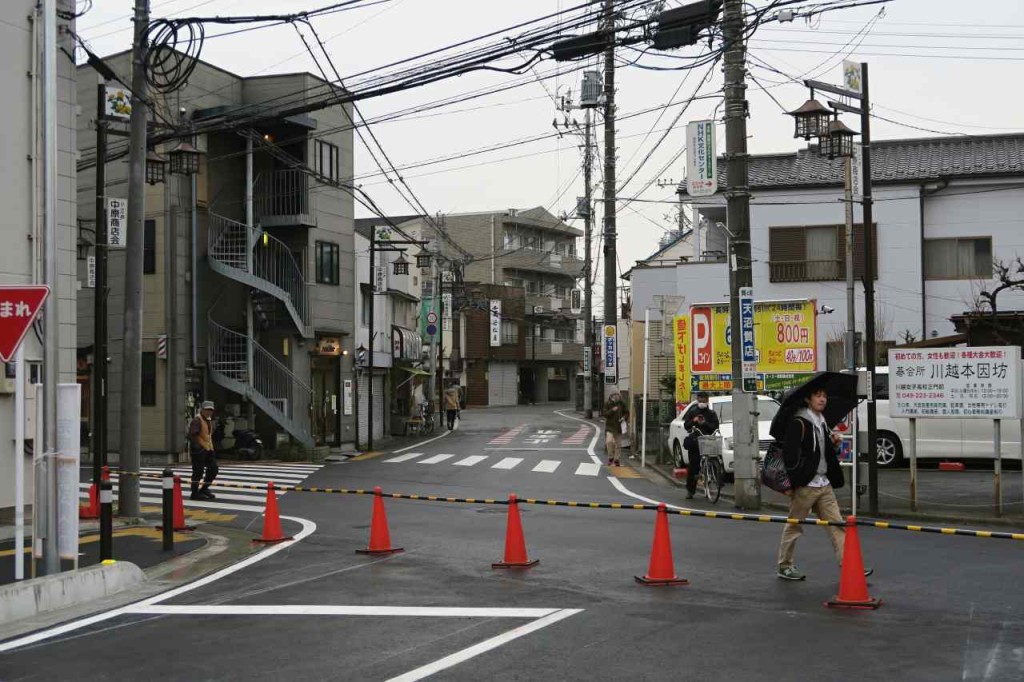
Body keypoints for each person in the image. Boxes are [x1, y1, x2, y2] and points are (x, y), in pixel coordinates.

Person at [776, 387, 872, 581]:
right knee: (795, 526)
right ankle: (784, 565)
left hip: (824, 483)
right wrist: (793, 483)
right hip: (805, 486)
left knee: (837, 525)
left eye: (825, 396)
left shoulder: (822, 422)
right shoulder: (799, 422)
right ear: (808, 399)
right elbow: (790, 456)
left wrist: (834, 443)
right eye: (818, 396)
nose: (822, 400)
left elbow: (823, 452)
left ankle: (849, 565)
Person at [681, 392, 720, 499]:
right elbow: (686, 426)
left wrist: (704, 423)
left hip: (708, 439)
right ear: (697, 400)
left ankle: (717, 481)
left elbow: (716, 426)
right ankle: (690, 490)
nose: (702, 402)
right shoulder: (693, 412)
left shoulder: (711, 413)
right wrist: (694, 421)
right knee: (693, 465)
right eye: (700, 399)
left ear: (707, 400)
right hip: (695, 440)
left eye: (704, 400)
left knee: (715, 459)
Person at [188, 401, 219, 501]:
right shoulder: (197, 420)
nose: (209, 412)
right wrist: (198, 447)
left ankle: (204, 489)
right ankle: (194, 493)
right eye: (207, 409)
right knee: (198, 471)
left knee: (213, 469)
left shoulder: (209, 420)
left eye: (211, 410)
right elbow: (193, 434)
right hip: (199, 450)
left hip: (209, 449)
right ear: (202, 409)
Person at [603, 392, 628, 466]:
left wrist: (624, 418)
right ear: (611, 396)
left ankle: (616, 459)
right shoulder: (607, 404)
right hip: (609, 426)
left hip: (618, 426)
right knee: (609, 441)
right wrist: (612, 410)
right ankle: (610, 457)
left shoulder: (622, 404)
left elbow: (626, 412)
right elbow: (605, 414)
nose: (616, 396)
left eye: (618, 395)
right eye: (614, 395)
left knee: (618, 444)